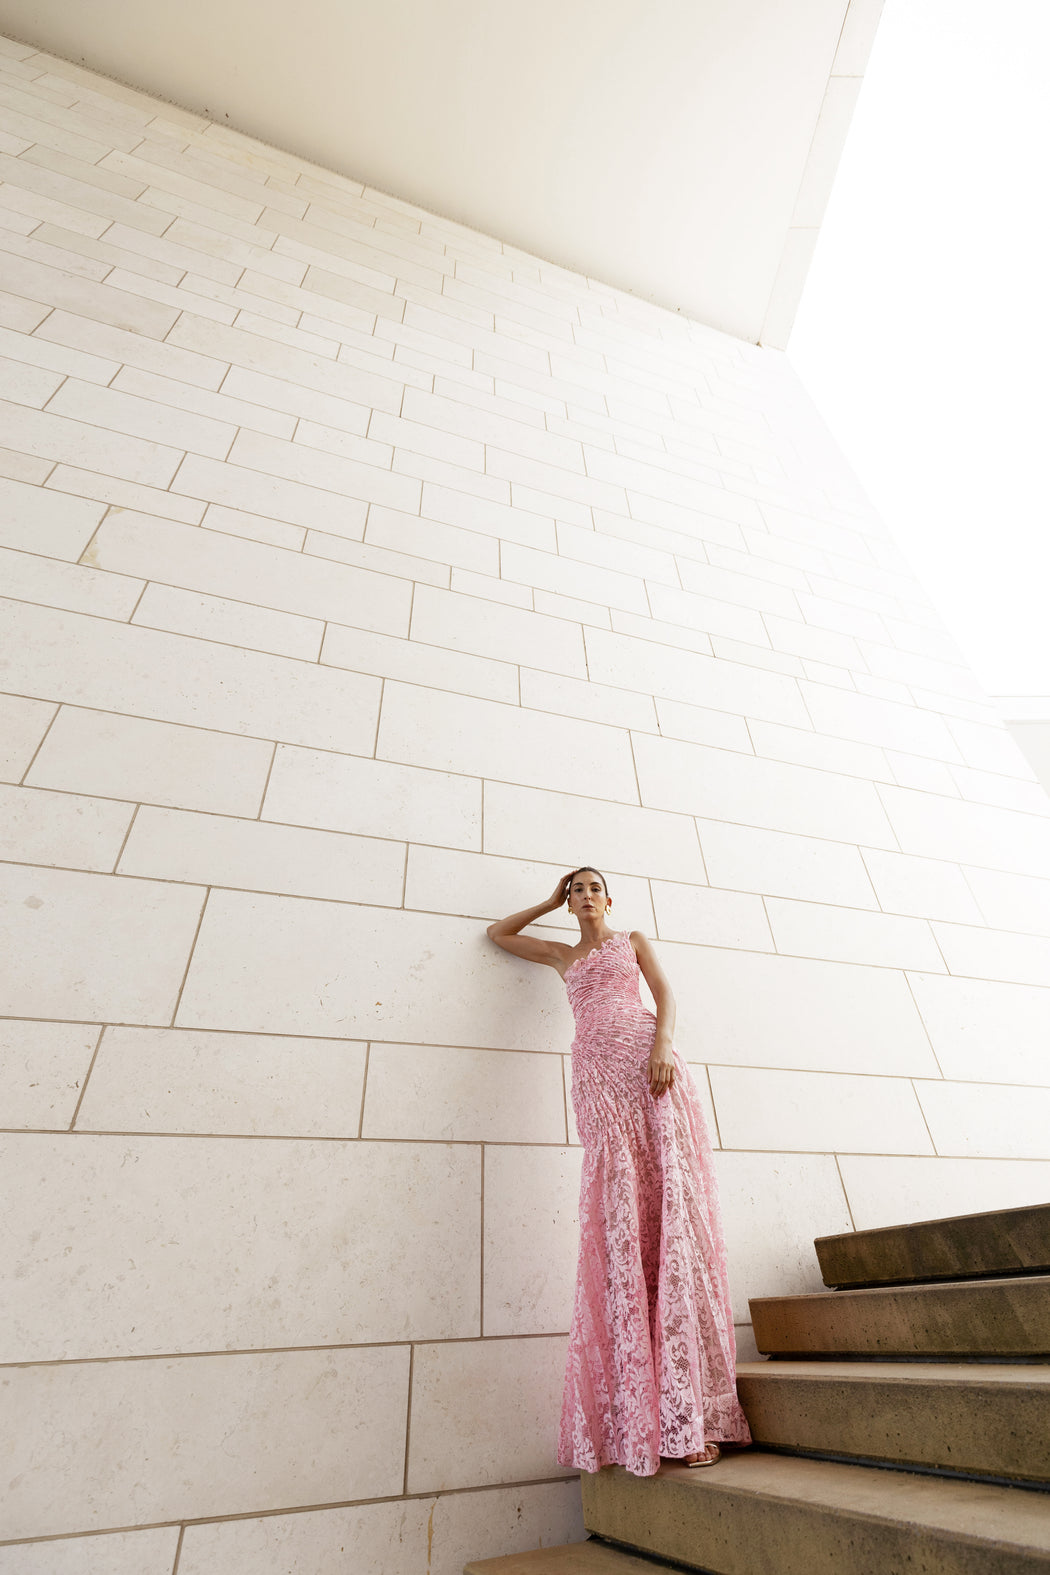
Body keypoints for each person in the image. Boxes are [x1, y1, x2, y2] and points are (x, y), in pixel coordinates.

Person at [487, 866, 751, 1476]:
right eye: (574, 889)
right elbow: (500, 934)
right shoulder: (559, 954)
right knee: (621, 1211)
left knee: (667, 1200)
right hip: (596, 1076)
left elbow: (665, 997)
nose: (583, 896)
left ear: (608, 898)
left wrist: (662, 1047)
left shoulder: (630, 940)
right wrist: (546, 902)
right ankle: (644, 1419)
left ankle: (694, 1414)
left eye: (591, 888)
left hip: (644, 1061)